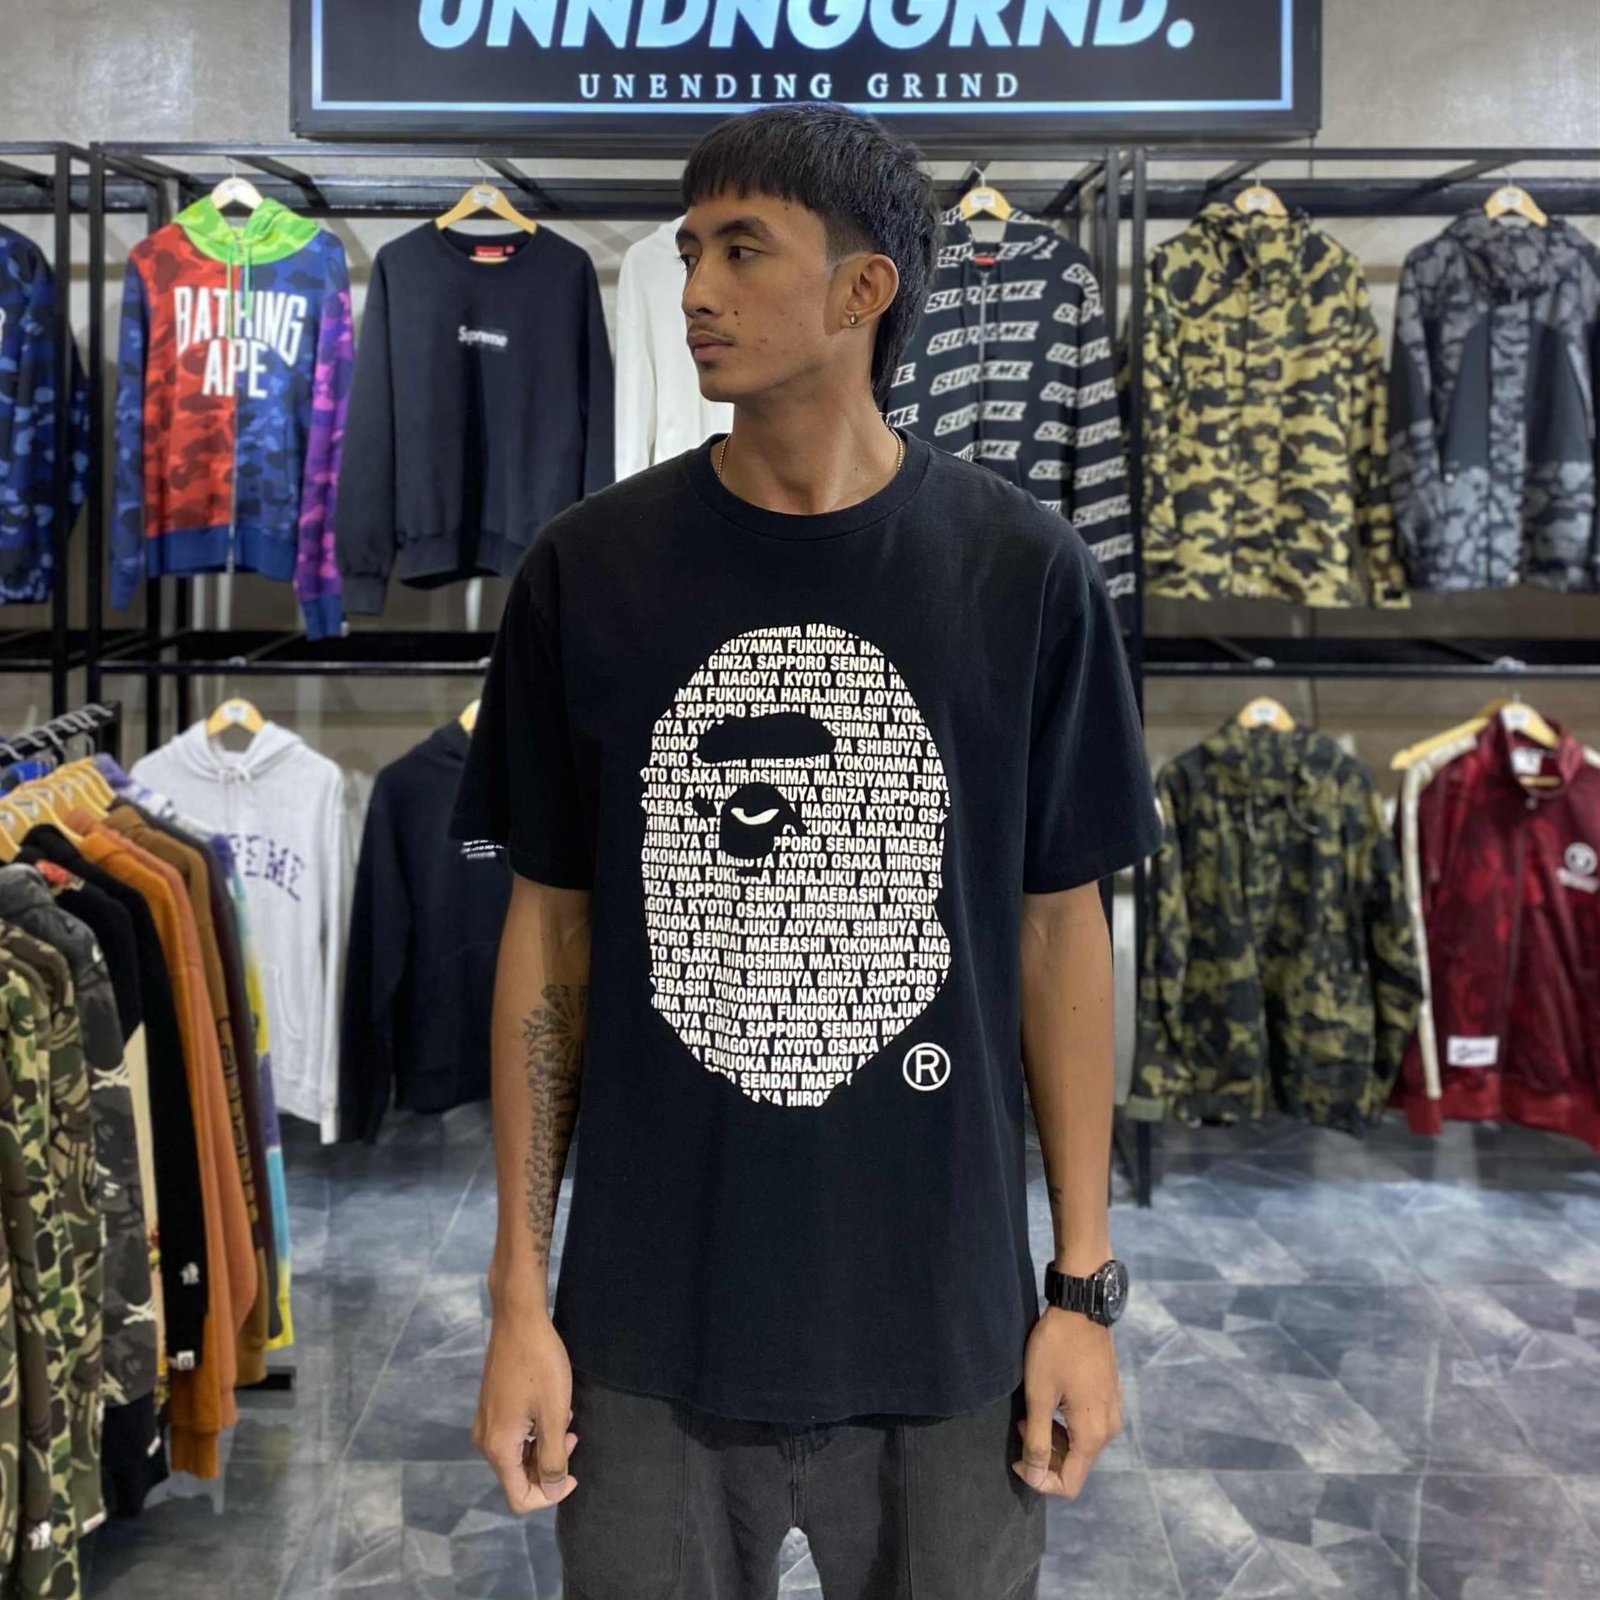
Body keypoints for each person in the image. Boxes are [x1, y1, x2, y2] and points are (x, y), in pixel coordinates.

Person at [447, 101, 1162, 1600]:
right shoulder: (586, 572)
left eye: (742, 250)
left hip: (946, 1327)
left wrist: (1082, 1290)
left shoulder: (1024, 573)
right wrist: (519, 1292)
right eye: (689, 251)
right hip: (646, 1326)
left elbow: (1059, 934)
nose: (696, 290)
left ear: (863, 290)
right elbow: (550, 933)